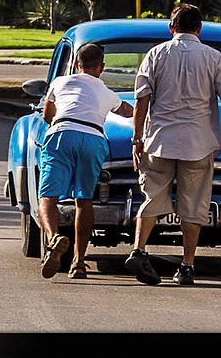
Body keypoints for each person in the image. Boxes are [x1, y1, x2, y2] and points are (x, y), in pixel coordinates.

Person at [126, 4, 221, 286]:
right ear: (199, 28)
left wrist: (137, 137)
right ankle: (187, 265)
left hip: (161, 140)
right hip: (198, 143)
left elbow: (142, 98)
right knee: (193, 205)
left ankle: (139, 250)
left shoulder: (156, 54)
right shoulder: (213, 57)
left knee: (152, 197)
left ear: (171, 28)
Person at [39, 43, 134, 279]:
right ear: (101, 67)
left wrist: (56, 123)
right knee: (84, 200)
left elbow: (47, 114)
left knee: (48, 197)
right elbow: (126, 111)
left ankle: (53, 240)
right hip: (93, 137)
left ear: (77, 65)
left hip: (61, 133)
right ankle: (79, 263)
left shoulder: (60, 82)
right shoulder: (105, 91)